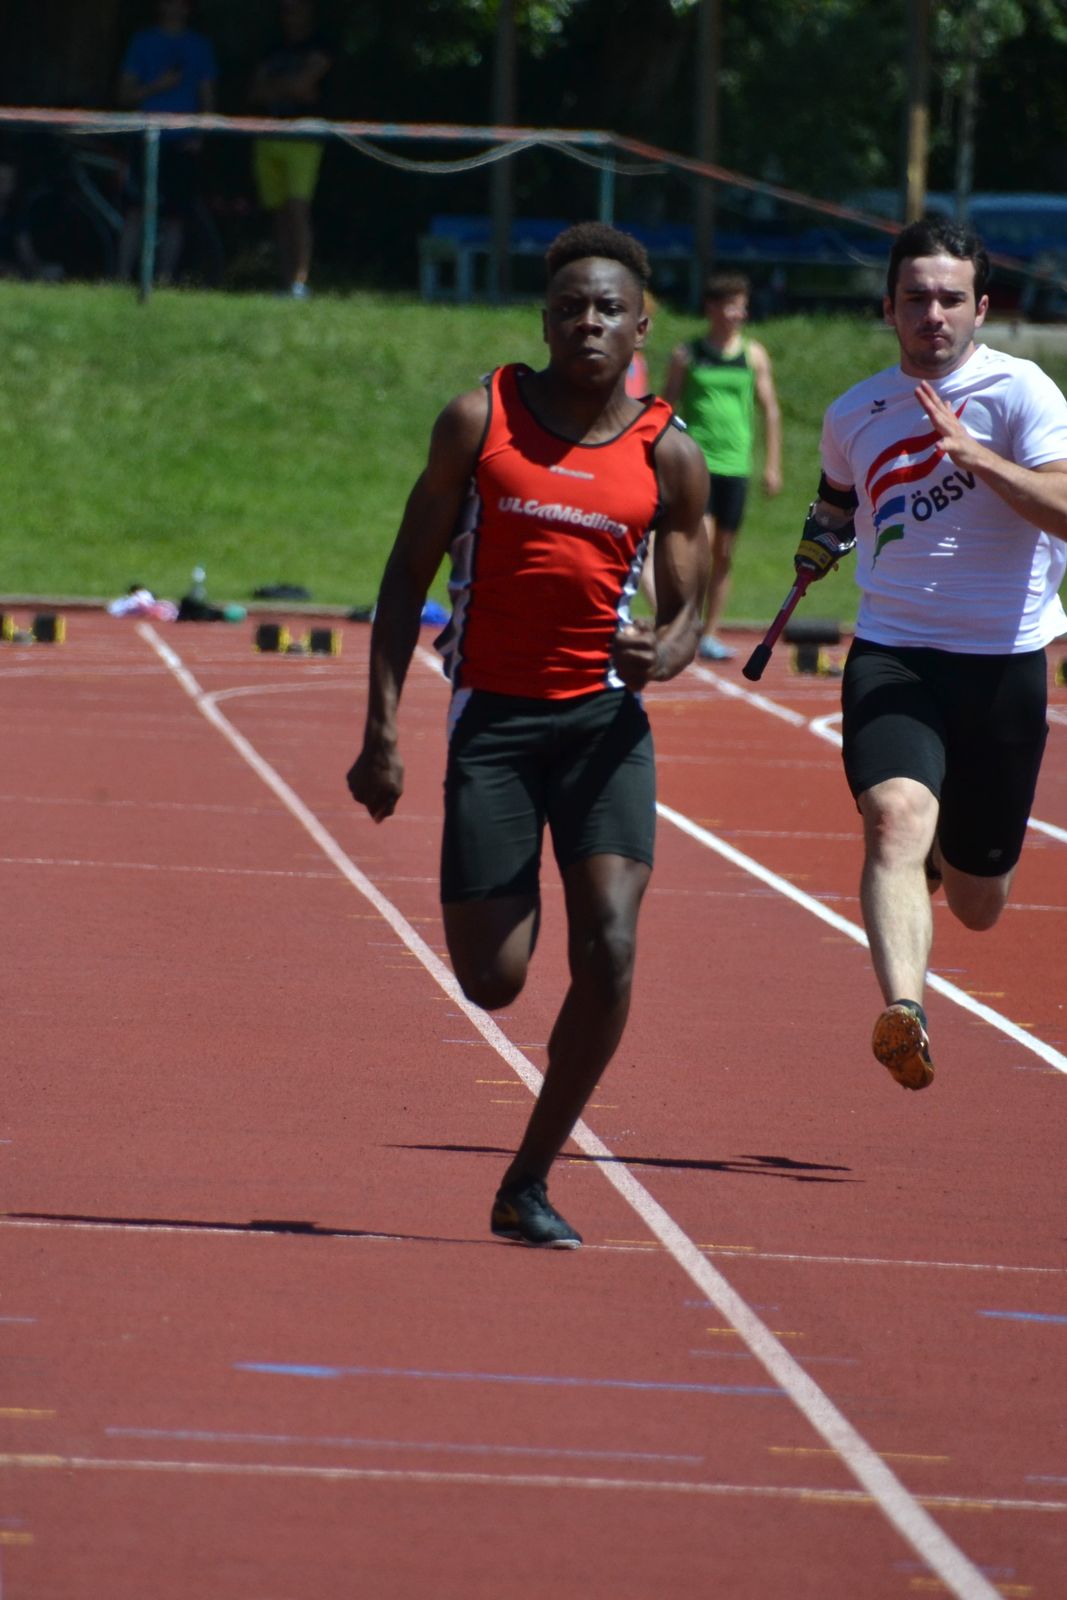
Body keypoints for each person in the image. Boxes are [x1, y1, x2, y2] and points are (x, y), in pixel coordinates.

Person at [347, 222, 709, 1248]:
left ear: (641, 326)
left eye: (607, 309)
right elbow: (403, 576)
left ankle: (528, 1179)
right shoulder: (480, 421)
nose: (588, 323)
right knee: (493, 978)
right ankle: (520, 963)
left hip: (602, 727)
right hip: (495, 723)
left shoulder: (668, 452)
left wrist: (665, 650)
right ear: (543, 321)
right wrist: (381, 729)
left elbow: (688, 609)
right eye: (569, 308)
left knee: (611, 945)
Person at [797, 215, 1067, 1092]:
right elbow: (835, 502)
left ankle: (948, 864)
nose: (932, 314)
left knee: (980, 903)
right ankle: (903, 1010)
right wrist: (818, 540)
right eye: (915, 298)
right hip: (894, 653)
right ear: (888, 307)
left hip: (1002, 663)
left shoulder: (1022, 393)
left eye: (950, 298)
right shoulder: (853, 412)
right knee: (894, 819)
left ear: (980, 307)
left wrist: (976, 458)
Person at [663, 271, 783, 660]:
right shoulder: (687, 354)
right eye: (731, 306)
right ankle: (687, 623)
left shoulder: (753, 355)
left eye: (742, 307)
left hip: (736, 465)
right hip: (696, 462)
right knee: (700, 542)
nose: (738, 314)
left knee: (724, 551)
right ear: (712, 308)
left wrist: (773, 465)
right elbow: (665, 408)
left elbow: (770, 410)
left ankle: (710, 632)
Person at [117, 0, 218, 285]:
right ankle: (121, 277)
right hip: (146, 138)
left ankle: (164, 279)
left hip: (183, 142)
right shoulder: (142, 42)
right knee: (137, 210)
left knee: (176, 215)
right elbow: (124, 94)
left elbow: (207, 97)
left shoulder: (200, 46)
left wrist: (200, 135)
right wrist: (156, 87)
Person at [248, 0, 332, 298]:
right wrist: (291, 86)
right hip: (268, 135)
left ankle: (300, 281)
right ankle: (285, 283)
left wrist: (276, 86)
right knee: (280, 212)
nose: (290, 15)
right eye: (285, 10)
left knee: (298, 209)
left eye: (296, 9)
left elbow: (304, 86)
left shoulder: (320, 45)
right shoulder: (272, 48)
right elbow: (255, 92)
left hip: (303, 138)